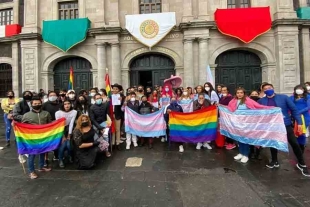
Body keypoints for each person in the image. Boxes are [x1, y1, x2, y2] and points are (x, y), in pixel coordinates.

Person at [258, 83, 310, 177]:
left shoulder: (283, 97)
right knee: (273, 143)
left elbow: (293, 109)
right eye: (265, 88)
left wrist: (299, 122)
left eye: (269, 88)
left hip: (285, 124)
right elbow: (255, 111)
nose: (267, 89)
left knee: (294, 143)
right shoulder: (262, 100)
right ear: (263, 91)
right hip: (271, 126)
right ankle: (274, 161)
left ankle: (302, 163)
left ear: (273, 88)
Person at [227, 87, 271, 164]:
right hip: (237, 123)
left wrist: (271, 109)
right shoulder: (233, 101)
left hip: (247, 124)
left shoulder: (248, 100)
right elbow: (228, 110)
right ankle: (241, 153)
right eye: (238, 93)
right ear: (235, 94)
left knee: (245, 139)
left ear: (244, 93)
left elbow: (258, 107)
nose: (239, 94)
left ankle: (246, 155)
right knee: (239, 138)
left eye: (241, 92)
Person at [22, 96, 52, 179]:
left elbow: (50, 124)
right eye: (35, 103)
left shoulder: (46, 113)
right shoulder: (26, 115)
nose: (37, 105)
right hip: (32, 139)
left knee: (43, 152)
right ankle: (31, 172)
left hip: (43, 137)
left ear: (41, 103)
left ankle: (41, 167)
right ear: (31, 104)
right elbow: (23, 126)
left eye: (38, 103)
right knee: (32, 155)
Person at [55, 100, 78, 168]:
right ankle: (60, 160)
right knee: (62, 145)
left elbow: (71, 123)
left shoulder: (74, 112)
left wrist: (69, 134)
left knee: (69, 145)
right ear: (63, 105)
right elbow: (59, 124)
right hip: (60, 130)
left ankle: (70, 156)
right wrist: (63, 136)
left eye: (68, 104)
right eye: (65, 104)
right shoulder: (58, 113)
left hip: (69, 129)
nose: (67, 105)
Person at [12, 91, 33, 163]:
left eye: (29, 94)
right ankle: (20, 154)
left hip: (32, 125)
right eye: (25, 94)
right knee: (21, 140)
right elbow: (15, 115)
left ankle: (28, 152)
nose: (27, 95)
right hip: (22, 125)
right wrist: (26, 118)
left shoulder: (34, 102)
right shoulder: (19, 104)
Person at [289, 85, 310, 154]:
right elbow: (289, 105)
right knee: (295, 132)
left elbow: (308, 107)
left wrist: (298, 112)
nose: (299, 90)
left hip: (304, 117)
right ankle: (297, 146)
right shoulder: (292, 97)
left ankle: (301, 147)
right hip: (294, 117)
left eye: (301, 89)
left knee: (302, 132)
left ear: (304, 90)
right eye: (297, 89)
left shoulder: (307, 97)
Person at [42, 91, 61, 164]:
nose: (52, 96)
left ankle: (56, 155)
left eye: (54, 95)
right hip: (47, 125)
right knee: (47, 142)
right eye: (51, 95)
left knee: (56, 140)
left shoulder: (60, 104)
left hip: (57, 125)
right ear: (48, 96)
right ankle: (45, 158)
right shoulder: (44, 105)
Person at [111, 84, 125, 150]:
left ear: (119, 90)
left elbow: (122, 107)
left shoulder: (122, 96)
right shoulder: (110, 96)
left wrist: (121, 101)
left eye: (116, 89)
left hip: (117, 114)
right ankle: (113, 143)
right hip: (110, 115)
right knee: (112, 129)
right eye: (114, 89)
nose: (115, 90)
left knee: (117, 129)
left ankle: (118, 143)